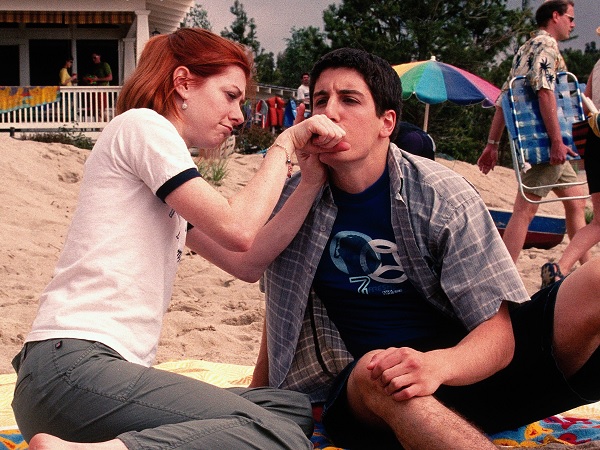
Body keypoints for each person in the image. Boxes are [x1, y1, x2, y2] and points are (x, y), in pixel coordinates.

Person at [213, 47, 600, 449]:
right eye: (321, 100)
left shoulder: (442, 196)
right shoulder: (295, 198)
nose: (330, 113)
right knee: (381, 369)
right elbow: (280, 306)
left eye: (349, 100)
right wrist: (259, 393)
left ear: (387, 122)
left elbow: (499, 333)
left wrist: (436, 365)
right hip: (369, 395)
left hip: (465, 370)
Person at [11, 28, 349, 450]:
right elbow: (238, 228)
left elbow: (247, 263)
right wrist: (285, 144)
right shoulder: (142, 126)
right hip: (72, 371)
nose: (239, 116)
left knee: (289, 410)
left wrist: (310, 183)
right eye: (230, 96)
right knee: (282, 437)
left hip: (87, 381)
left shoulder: (163, 175)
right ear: (184, 82)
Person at [477, 0, 590, 265]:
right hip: (546, 143)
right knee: (524, 210)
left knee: (576, 204)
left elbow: (506, 98)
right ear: (555, 16)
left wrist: (492, 143)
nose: (573, 24)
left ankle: (585, 269)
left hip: (545, 142)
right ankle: (504, 274)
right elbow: (545, 92)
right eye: (570, 18)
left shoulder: (525, 48)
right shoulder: (547, 46)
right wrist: (556, 141)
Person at [541, 27, 600, 287]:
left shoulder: (597, 66)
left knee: (598, 222)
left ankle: (560, 268)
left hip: (595, 139)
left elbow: (586, 101)